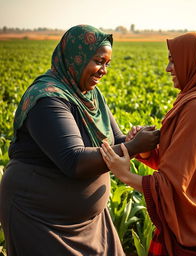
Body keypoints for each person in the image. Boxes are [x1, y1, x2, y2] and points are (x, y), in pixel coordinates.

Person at [0, 25, 160, 256]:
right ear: (75, 58)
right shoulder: (48, 98)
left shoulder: (89, 94)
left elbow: (115, 140)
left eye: (108, 63)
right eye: (98, 61)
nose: (103, 70)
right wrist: (134, 146)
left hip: (90, 222)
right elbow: (73, 160)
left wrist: (131, 140)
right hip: (41, 218)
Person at [100, 32, 196, 256]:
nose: (168, 68)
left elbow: (173, 187)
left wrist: (124, 174)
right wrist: (147, 151)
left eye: (173, 60)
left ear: (193, 61)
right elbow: (187, 166)